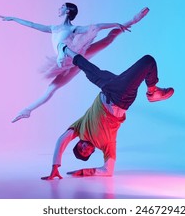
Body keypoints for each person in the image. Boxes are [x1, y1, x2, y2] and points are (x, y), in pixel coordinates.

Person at [0, 4, 150, 122]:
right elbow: (32, 24)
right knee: (51, 89)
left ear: (67, 11)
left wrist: (116, 24)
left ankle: (132, 20)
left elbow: (96, 27)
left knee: (107, 40)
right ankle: (27, 111)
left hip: (76, 53)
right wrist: (14, 18)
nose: (59, 8)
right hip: (66, 64)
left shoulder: (73, 28)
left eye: (62, 7)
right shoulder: (53, 28)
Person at [41, 47, 174, 179]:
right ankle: (152, 92)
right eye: (85, 152)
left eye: (80, 146)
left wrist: (55, 166)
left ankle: (64, 48)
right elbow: (108, 171)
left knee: (88, 68)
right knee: (148, 61)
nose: (84, 147)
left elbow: (62, 139)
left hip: (106, 87)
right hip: (120, 97)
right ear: (92, 152)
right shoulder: (106, 146)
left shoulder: (80, 127)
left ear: (79, 141)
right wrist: (85, 172)